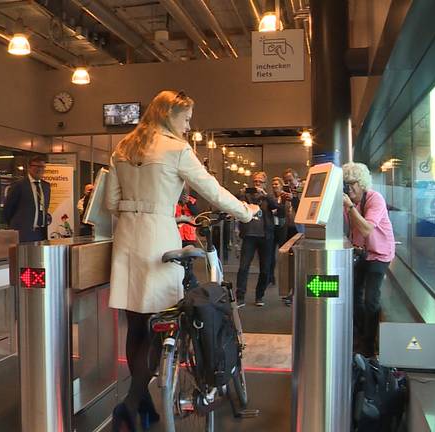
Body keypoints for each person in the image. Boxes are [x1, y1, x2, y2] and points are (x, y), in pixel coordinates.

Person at [104, 90, 258, 431]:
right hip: (158, 239)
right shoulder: (176, 149)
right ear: (169, 115)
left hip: (127, 240)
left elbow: (111, 202)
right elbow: (212, 190)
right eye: (186, 119)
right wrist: (246, 212)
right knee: (161, 325)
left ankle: (139, 401)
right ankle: (132, 402)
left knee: (136, 326)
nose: (188, 126)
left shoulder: (123, 147)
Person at [343, 162, 395, 357]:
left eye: (351, 183)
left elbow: (365, 229)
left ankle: (369, 347)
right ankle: (359, 334)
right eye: (345, 184)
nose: (348, 188)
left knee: (371, 299)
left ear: (362, 183)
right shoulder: (350, 202)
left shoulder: (375, 199)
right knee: (353, 295)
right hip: (362, 253)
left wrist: (349, 207)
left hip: (380, 253)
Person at [236, 171, 279, 307]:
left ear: (265, 184)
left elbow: (277, 207)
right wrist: (242, 192)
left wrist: (265, 195)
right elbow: (235, 200)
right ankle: (240, 296)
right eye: (255, 182)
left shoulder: (268, 197)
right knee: (243, 267)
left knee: (265, 269)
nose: (257, 184)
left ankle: (259, 296)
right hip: (249, 235)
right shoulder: (246, 195)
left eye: (260, 182)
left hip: (266, 237)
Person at [4, 155, 52, 242]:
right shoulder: (19, 185)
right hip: (23, 233)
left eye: (42, 166)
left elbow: (44, 207)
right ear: (29, 168)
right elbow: (8, 209)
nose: (40, 169)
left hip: (41, 233)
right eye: (36, 166)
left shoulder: (46, 186)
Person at [175, 189, 200, 290]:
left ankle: (191, 283)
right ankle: (188, 283)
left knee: (188, 262)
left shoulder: (192, 201)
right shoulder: (173, 201)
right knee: (179, 263)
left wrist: (188, 202)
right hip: (178, 237)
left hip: (189, 238)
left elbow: (196, 212)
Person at [282, 168, 303, 237]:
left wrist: (293, 199)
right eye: (286, 181)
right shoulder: (285, 192)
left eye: (290, 180)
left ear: (297, 179)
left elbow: (303, 209)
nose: (288, 183)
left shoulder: (304, 190)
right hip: (288, 227)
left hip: (300, 226)